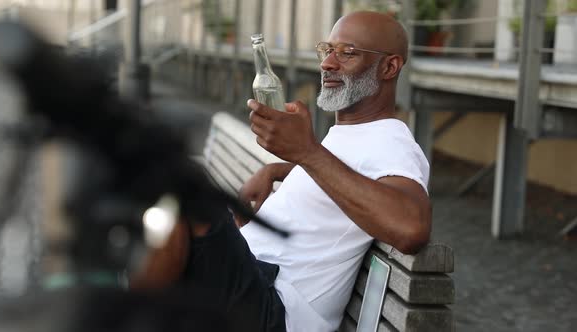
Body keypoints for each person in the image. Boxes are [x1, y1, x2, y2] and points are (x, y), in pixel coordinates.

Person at [144, 10, 431, 332]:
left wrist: (307, 151)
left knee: (186, 203)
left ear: (389, 67)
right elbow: (349, 173)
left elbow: (411, 228)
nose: (328, 64)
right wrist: (282, 168)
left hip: (275, 308)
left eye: (348, 53)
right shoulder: (355, 134)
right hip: (254, 277)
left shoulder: (392, 141)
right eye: (327, 49)